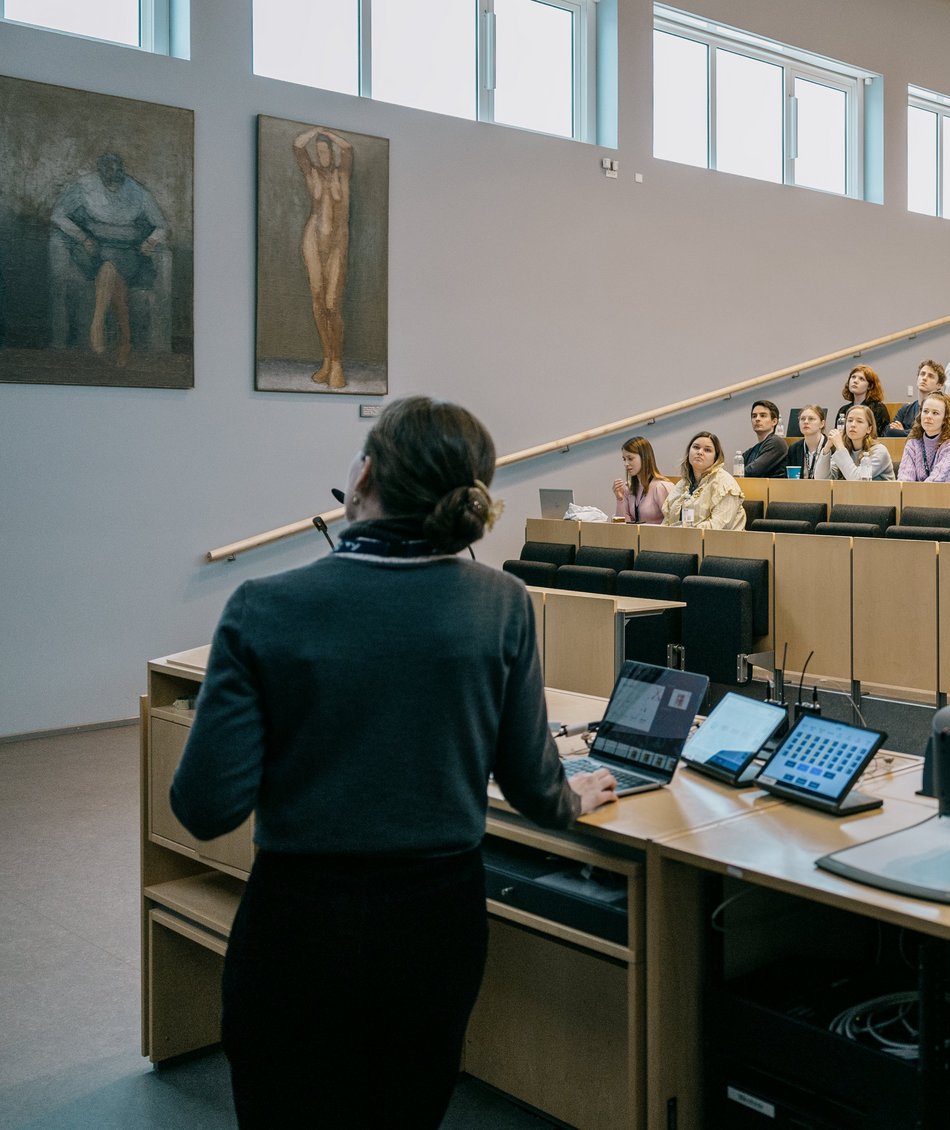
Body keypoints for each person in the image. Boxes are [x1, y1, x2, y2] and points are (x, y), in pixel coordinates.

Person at [169, 396, 617, 1128]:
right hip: (434, 927)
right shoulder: (501, 604)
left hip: (298, 924)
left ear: (366, 474)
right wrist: (580, 796)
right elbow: (538, 791)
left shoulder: (263, 606)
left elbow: (205, 805)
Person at [50, 152, 168, 367]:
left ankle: (98, 323)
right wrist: (82, 237)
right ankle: (125, 339)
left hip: (128, 250)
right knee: (110, 270)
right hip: (92, 248)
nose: (112, 175)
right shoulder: (85, 186)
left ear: (122, 171)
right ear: (100, 169)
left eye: (116, 170)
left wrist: (150, 242)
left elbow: (161, 225)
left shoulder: (136, 191)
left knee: (110, 267)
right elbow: (58, 215)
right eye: (107, 170)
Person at [293, 127, 355, 388]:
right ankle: (327, 360)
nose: (323, 155)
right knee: (318, 302)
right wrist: (315, 131)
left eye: (326, 150)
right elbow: (297, 146)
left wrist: (327, 134)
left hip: (337, 242)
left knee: (332, 303)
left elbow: (348, 149)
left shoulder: (343, 174)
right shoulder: (312, 173)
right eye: (318, 152)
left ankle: (338, 362)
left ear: (331, 152)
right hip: (312, 239)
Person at [665, 431, 747, 529]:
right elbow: (667, 520)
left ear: (715, 458)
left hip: (719, 542)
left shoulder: (726, 483)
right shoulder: (682, 483)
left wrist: (683, 532)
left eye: (707, 450)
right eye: (696, 447)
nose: (699, 452)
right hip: (680, 541)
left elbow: (718, 527)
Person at [898, 392, 950, 482]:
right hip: (920, 494)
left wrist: (914, 492)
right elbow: (904, 481)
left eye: (935, 413)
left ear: (945, 419)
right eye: (925, 411)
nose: (928, 416)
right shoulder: (913, 443)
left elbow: (938, 483)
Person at [611, 435, 672, 523]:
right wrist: (620, 499)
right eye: (624, 459)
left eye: (630, 458)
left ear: (644, 457)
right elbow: (623, 526)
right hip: (635, 536)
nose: (626, 464)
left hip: (657, 536)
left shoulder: (661, 487)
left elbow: (673, 522)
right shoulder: (629, 487)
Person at [829, 404, 896, 481]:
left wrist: (840, 447)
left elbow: (857, 480)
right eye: (850, 420)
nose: (853, 425)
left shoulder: (879, 451)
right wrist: (826, 449)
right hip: (850, 493)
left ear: (869, 429)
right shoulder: (844, 449)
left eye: (859, 421)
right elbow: (822, 479)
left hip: (881, 492)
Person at [890, 360, 945, 436]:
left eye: (930, 376)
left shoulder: (942, 409)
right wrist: (911, 433)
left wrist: (902, 432)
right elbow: (889, 431)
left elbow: (928, 433)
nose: (924, 378)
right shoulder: (906, 409)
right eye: (922, 374)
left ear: (939, 385)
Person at [838, 365, 894, 436]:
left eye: (861, 379)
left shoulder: (878, 408)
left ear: (870, 386)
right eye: (853, 377)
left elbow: (879, 436)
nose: (855, 381)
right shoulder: (843, 410)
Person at [742, 400, 789, 478]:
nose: (757, 419)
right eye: (754, 416)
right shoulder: (750, 451)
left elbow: (753, 471)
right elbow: (738, 470)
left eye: (763, 416)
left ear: (774, 421)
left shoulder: (776, 443)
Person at [786, 405, 833, 479]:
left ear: (822, 424)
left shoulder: (832, 447)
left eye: (811, 419)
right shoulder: (794, 449)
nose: (806, 422)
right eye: (802, 419)